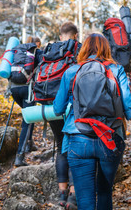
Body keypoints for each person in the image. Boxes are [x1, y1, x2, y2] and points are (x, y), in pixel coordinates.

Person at [53, 33, 131, 209]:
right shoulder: (116, 70)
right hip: (110, 138)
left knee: (85, 200)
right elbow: (129, 106)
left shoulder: (71, 71)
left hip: (78, 138)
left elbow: (57, 109)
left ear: (83, 49)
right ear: (107, 49)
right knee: (105, 192)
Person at [43, 22, 80, 209]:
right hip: (72, 106)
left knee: (60, 145)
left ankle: (61, 193)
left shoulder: (49, 50)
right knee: (74, 146)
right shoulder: (77, 49)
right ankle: (73, 196)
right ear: (75, 35)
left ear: (60, 36)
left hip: (51, 105)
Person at [10, 36, 43, 166]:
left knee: (30, 114)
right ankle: (20, 156)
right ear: (37, 44)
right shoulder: (37, 51)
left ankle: (30, 144)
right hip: (27, 89)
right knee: (27, 121)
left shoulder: (17, 51)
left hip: (13, 89)